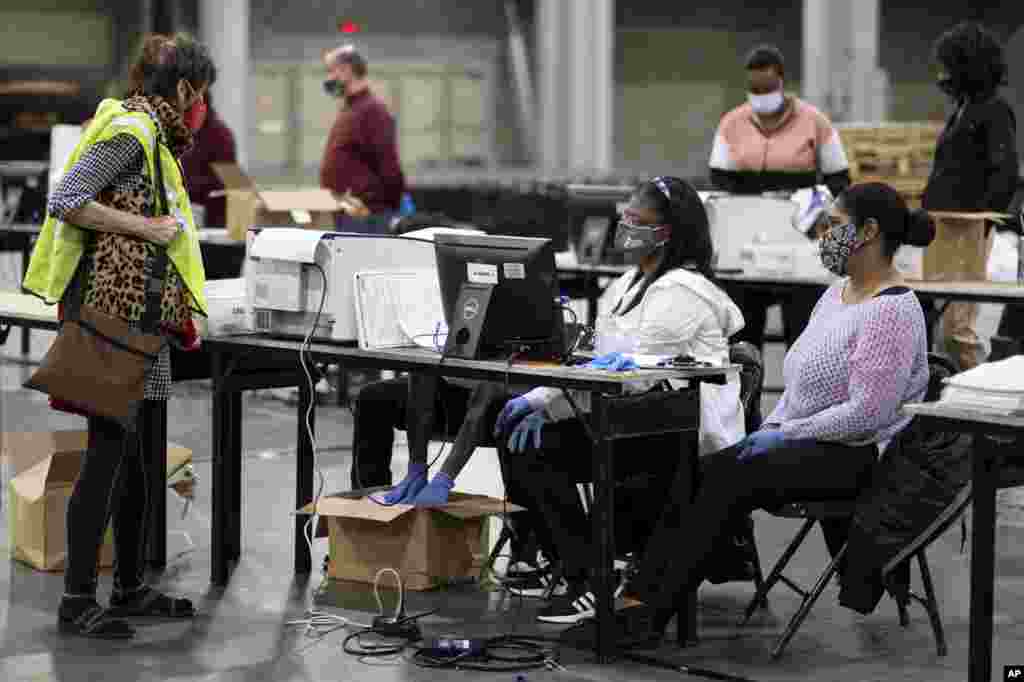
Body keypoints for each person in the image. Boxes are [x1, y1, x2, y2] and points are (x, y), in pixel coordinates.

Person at [562, 182, 936, 648]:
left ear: (870, 232)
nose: (824, 235)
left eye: (835, 225)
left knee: (731, 476)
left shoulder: (893, 311)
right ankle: (637, 601)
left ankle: (649, 614)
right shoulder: (836, 295)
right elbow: (798, 386)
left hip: (857, 456)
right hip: (806, 442)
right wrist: (773, 428)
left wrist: (785, 434)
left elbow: (867, 414)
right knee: (698, 470)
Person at [22, 33, 211, 639]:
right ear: (182, 89)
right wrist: (147, 228)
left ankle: (129, 586)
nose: (202, 106)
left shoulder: (155, 138)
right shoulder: (132, 132)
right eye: (200, 92)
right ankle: (77, 599)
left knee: (140, 458)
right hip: (113, 318)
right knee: (107, 457)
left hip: (145, 319)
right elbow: (66, 197)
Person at [495, 176, 747, 624]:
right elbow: (599, 357)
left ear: (665, 233)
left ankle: (590, 577)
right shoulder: (628, 282)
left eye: (636, 220)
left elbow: (630, 371)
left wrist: (545, 398)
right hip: (633, 420)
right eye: (623, 217)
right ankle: (579, 568)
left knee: (545, 450)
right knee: (526, 445)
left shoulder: (683, 292)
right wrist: (550, 406)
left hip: (680, 435)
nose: (623, 227)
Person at [710, 44, 851, 353]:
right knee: (742, 341)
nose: (760, 93)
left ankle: (801, 399)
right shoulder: (731, 123)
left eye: (767, 87)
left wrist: (815, 203)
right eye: (754, 88)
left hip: (798, 246)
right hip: (745, 248)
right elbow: (719, 178)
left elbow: (839, 178)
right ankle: (746, 402)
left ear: (782, 81)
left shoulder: (815, 121)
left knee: (802, 338)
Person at [923, 22, 1018, 371]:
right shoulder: (963, 109)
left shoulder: (992, 110)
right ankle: (948, 404)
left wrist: (982, 222)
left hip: (966, 229)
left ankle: (977, 397)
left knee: (956, 328)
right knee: (939, 327)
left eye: (948, 64)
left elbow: (1004, 173)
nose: (942, 74)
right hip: (942, 227)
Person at [320, 44, 406, 233]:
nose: (328, 79)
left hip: (367, 217)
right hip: (348, 212)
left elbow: (389, 165)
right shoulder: (351, 109)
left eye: (331, 72)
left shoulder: (372, 110)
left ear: (347, 70)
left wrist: (389, 209)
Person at [181, 69, 237, 228]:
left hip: (210, 221)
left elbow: (229, 182)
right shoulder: (180, 131)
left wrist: (186, 186)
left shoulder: (220, 136)